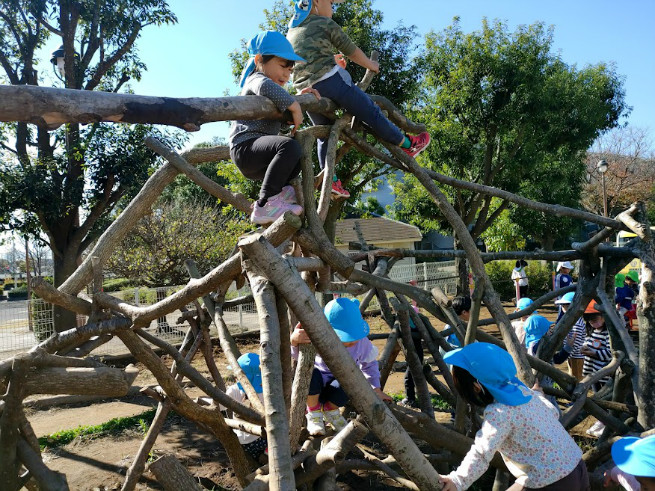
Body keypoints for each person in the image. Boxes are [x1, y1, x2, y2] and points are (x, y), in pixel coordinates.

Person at [286, 0, 431, 198]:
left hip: (307, 91)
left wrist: (331, 60)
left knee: (325, 135)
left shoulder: (293, 29)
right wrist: (371, 64)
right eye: (331, 3)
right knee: (370, 110)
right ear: (317, 3)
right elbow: (351, 50)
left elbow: (308, 59)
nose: (333, 9)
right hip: (330, 82)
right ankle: (407, 144)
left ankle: (331, 181)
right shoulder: (325, 23)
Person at [439, 342, 589, 491]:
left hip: (550, 481)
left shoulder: (500, 413)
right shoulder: (523, 391)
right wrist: (538, 395)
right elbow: (553, 412)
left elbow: (481, 453)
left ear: (476, 387)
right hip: (576, 466)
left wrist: (457, 481)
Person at [230, 31, 320, 225]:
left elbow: (278, 103)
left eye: (290, 70)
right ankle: (265, 204)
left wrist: (297, 98)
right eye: (282, 66)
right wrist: (294, 105)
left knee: (296, 155)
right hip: (245, 147)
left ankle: (278, 197)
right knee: (288, 147)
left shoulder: (275, 93)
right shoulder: (255, 78)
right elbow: (266, 86)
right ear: (259, 60)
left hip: (260, 156)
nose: (287, 74)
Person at [290, 297, 391, 436]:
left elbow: (369, 364)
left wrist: (376, 388)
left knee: (353, 380)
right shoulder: (320, 337)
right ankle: (314, 413)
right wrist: (294, 341)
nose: (352, 341)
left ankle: (331, 411)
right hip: (315, 387)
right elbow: (299, 357)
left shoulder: (362, 342)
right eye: (345, 337)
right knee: (311, 374)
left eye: (354, 336)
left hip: (339, 386)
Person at [222, 353, 267, 461]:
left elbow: (220, 406)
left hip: (243, 441)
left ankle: (259, 458)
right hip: (264, 439)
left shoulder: (234, 390)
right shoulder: (267, 391)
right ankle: (266, 454)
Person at [581, 300, 612, 438]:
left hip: (604, 373)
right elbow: (588, 343)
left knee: (604, 399)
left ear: (604, 316)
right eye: (590, 320)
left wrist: (594, 353)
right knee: (597, 398)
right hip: (592, 371)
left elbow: (611, 353)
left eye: (595, 319)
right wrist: (584, 348)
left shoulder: (608, 334)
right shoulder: (592, 331)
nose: (592, 322)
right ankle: (601, 421)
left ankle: (604, 423)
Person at [554, 291, 586, 380]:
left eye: (567, 305)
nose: (564, 308)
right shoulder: (570, 320)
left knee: (576, 379)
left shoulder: (577, 323)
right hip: (571, 354)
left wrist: (566, 353)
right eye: (563, 305)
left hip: (576, 356)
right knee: (572, 375)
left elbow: (576, 341)